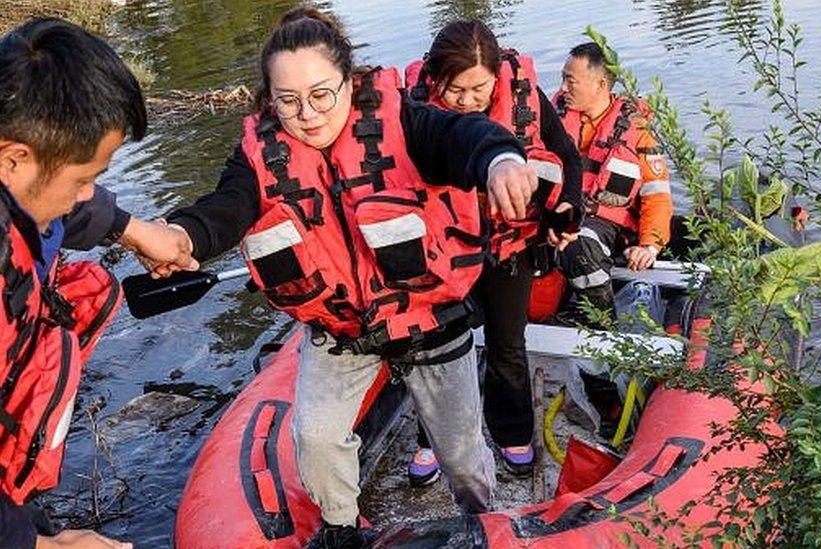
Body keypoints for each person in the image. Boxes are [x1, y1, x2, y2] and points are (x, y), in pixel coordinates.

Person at [150, 7, 541, 548]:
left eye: (321, 94)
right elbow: (225, 208)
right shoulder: (258, 154)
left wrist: (500, 160)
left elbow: (463, 135)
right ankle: (341, 526)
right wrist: (182, 237)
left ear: (349, 82)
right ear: (269, 98)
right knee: (314, 436)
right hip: (341, 331)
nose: (307, 114)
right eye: (288, 101)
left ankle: (478, 519)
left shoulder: (405, 119)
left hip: (429, 317)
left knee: (462, 455)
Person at [0, 18, 196, 549]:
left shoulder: (22, 183)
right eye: (84, 179)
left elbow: (65, 210)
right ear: (13, 157)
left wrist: (135, 231)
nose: (89, 194)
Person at [402, 19, 583, 484]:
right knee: (435, 346)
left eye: (478, 88)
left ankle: (512, 433)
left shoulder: (525, 94)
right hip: (440, 249)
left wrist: (569, 210)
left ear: (497, 77)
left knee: (507, 343)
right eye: (453, 89)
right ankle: (433, 439)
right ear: (433, 78)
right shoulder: (414, 110)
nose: (466, 101)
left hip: (510, 245)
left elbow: (567, 156)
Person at [554, 42, 673, 432]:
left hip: (606, 224)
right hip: (559, 214)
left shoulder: (635, 130)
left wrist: (651, 242)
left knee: (582, 247)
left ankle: (603, 342)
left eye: (571, 79)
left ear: (600, 83)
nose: (564, 86)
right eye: (563, 79)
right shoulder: (554, 116)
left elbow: (656, 194)